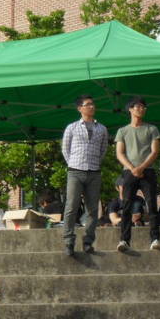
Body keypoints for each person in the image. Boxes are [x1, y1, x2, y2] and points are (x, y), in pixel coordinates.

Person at [61, 94, 108, 256]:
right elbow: (65, 149)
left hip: (94, 172)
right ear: (80, 108)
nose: (91, 107)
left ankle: (88, 241)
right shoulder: (72, 127)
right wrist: (73, 164)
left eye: (93, 104)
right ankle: (69, 242)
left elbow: (103, 149)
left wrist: (95, 163)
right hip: (75, 171)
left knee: (93, 209)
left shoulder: (102, 128)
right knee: (71, 207)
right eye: (88, 104)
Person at [115, 96, 160, 252]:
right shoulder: (122, 131)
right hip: (129, 172)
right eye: (138, 106)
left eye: (143, 107)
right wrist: (132, 168)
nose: (141, 109)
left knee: (152, 205)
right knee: (126, 206)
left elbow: (155, 152)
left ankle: (155, 239)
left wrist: (141, 167)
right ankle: (124, 240)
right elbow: (120, 153)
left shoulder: (152, 129)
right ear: (130, 109)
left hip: (148, 171)